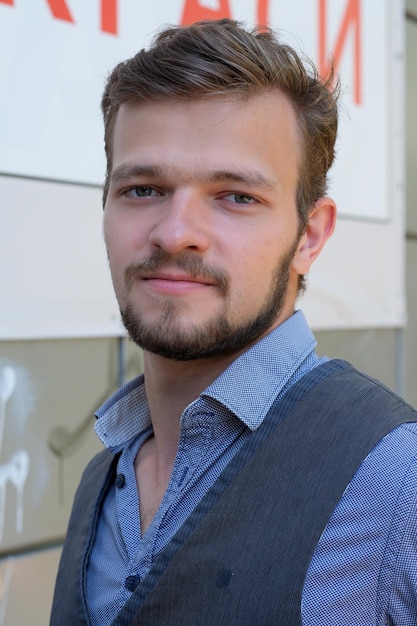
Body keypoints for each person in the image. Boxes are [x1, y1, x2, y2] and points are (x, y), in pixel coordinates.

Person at [50, 18, 417, 626]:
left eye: (236, 197)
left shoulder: (398, 485)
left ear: (309, 235)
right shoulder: (101, 481)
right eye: (143, 189)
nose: (174, 233)